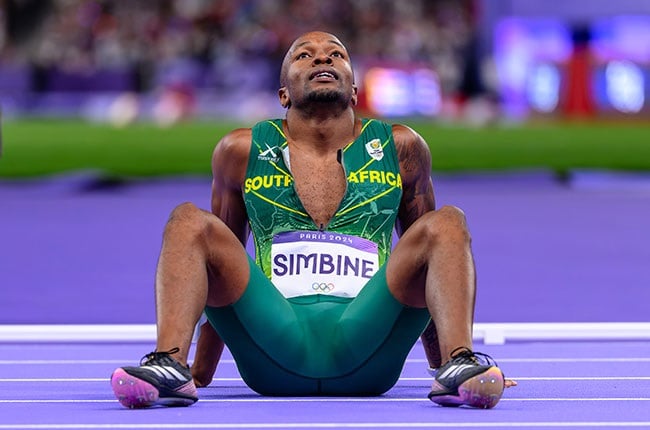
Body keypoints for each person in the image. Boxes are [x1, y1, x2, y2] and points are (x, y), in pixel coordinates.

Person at [110, 30, 516, 410]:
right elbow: (217, 259)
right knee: (188, 221)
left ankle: (459, 362)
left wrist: (447, 362)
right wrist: (201, 369)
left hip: (368, 338)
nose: (323, 56)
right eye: (304, 55)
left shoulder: (401, 145)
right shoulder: (240, 149)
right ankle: (170, 364)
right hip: (274, 339)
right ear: (283, 93)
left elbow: (430, 264)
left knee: (446, 223)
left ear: (355, 89)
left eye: (336, 54)